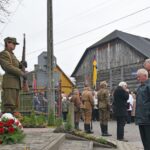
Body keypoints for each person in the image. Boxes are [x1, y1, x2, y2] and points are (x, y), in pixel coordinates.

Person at [0, 37, 26, 113]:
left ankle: (13, 124)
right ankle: (7, 123)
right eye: (13, 43)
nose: (15, 45)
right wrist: (21, 73)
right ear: (8, 43)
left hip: (16, 84)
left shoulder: (12, 55)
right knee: (9, 106)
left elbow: (16, 65)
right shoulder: (4, 54)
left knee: (15, 107)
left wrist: (22, 64)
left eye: (15, 44)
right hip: (9, 84)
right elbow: (8, 67)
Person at [136, 68, 150, 150]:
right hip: (141, 118)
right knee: (144, 140)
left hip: (147, 118)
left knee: (148, 140)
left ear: (145, 76)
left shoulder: (148, 86)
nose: (137, 78)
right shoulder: (139, 87)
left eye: (139, 77)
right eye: (137, 77)